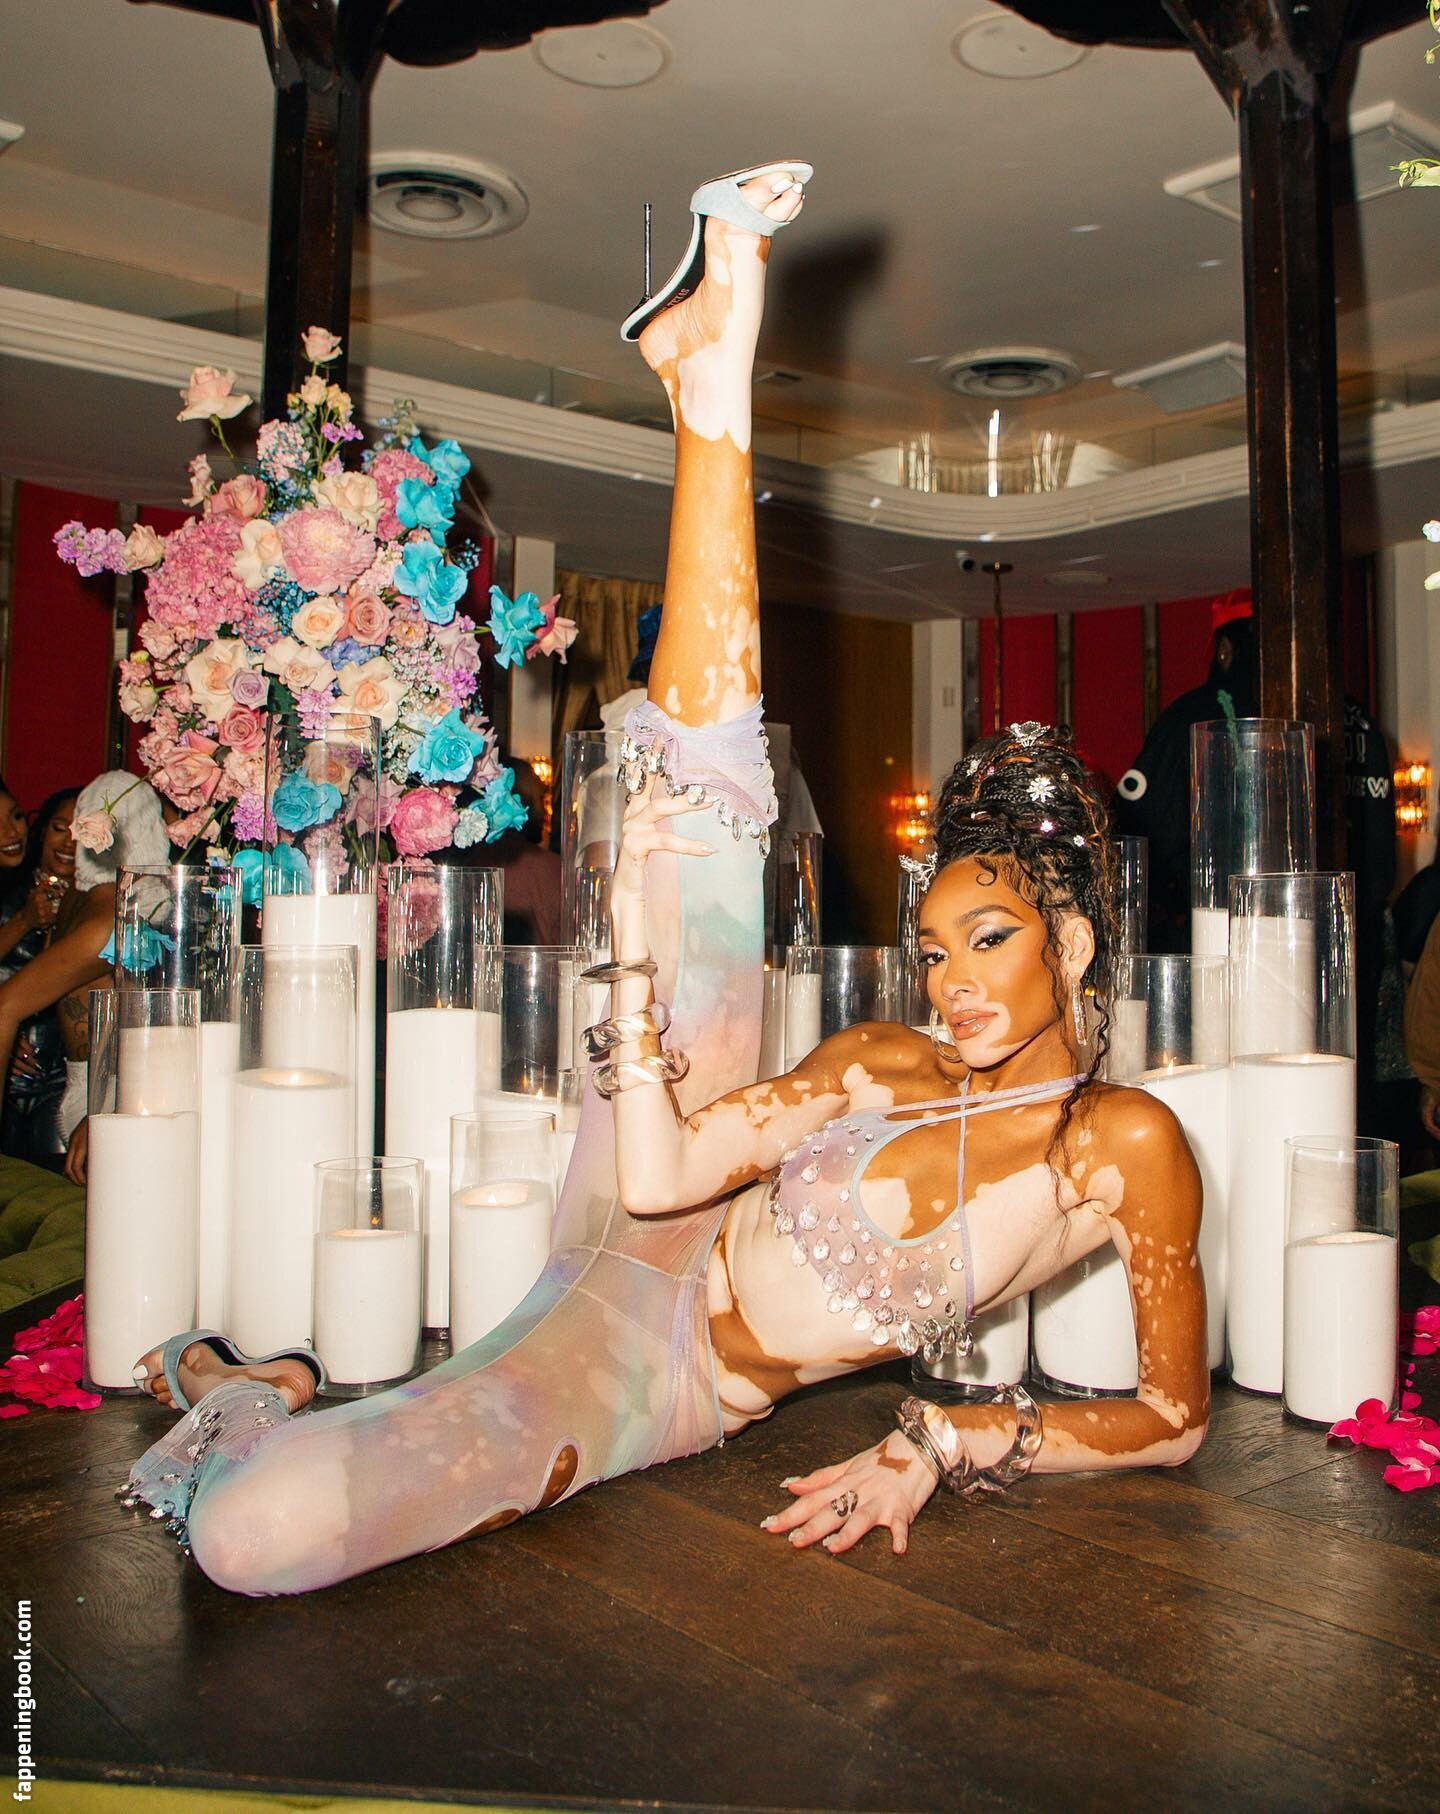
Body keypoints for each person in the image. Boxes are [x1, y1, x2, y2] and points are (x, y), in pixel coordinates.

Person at [124, 164, 1207, 1595]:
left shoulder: (1121, 1145)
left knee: (251, 1539)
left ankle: (232, 1381)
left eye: (987, 939)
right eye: (936, 947)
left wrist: (942, 1441)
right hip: (643, 1205)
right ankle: (715, 375)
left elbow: (1173, 1417)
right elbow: (662, 1174)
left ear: (1069, 944)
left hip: (661, 1364)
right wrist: (633, 949)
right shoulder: (887, 1060)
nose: (947, 981)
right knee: (696, 844)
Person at [0, 770, 170, 1176]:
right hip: (105, 1099)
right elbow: (6, 1006)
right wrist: (109, 1110)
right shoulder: (109, 919)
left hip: (103, 1096)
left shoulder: (84, 899)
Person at [1, 788, 80, 1164]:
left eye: (79, 831)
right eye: (60, 828)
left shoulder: (97, 903)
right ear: (44, 830)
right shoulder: (11, 891)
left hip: (60, 1078)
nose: (68, 842)